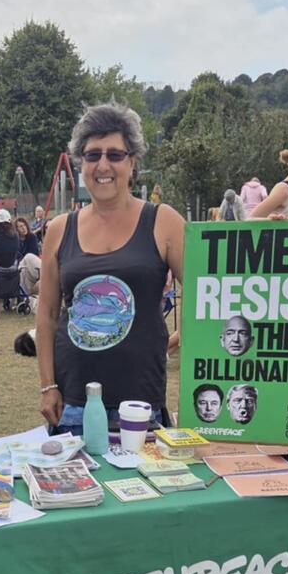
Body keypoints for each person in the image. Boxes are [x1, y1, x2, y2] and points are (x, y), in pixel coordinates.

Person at [36, 102, 185, 435]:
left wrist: (175, 340)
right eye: (92, 155)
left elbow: (209, 295)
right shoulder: (60, 229)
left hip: (140, 400)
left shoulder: (164, 221)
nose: (103, 165)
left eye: (115, 155)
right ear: (81, 163)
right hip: (73, 401)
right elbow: (46, 314)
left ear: (132, 162)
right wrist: (48, 385)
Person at [14, 216, 42, 296]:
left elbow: (34, 254)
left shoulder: (32, 237)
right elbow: (16, 256)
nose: (23, 228)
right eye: (20, 227)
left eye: (24, 225)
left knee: (27, 260)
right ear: (16, 230)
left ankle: (24, 296)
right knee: (23, 271)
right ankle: (25, 297)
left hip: (32, 263)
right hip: (22, 266)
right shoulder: (16, 240)